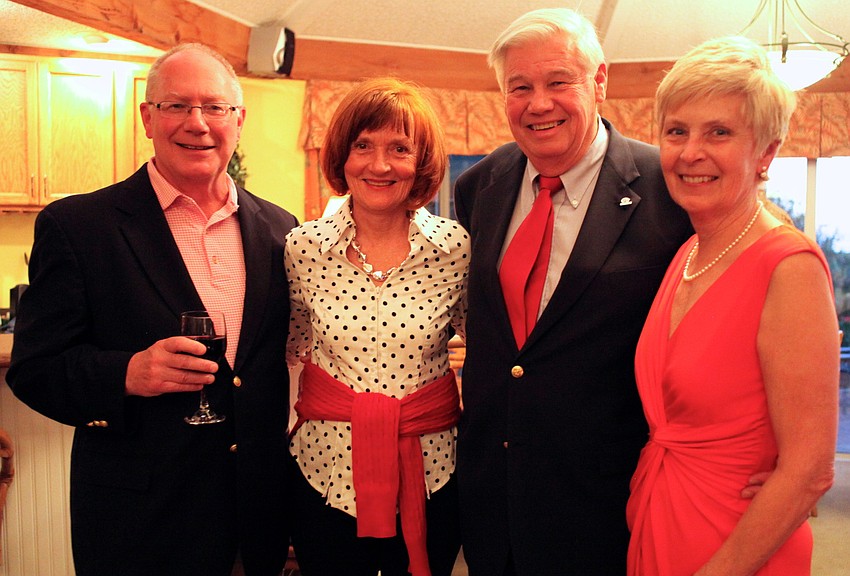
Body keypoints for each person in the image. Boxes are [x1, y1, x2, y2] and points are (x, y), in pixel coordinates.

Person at [6, 43, 298, 576]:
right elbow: (34, 370)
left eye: (214, 107)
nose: (197, 123)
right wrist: (127, 373)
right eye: (176, 105)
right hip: (139, 524)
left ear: (239, 120)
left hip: (254, 521)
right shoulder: (79, 227)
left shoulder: (282, 229)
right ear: (147, 117)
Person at [452, 8, 694, 575]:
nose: (539, 104)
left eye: (559, 82)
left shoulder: (668, 189)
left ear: (599, 81)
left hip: (606, 505)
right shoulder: (480, 185)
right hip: (492, 499)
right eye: (520, 87)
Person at [626, 36, 838, 575]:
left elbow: (810, 470)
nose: (690, 152)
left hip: (737, 549)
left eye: (719, 132)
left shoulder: (788, 267)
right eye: (677, 131)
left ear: (765, 152)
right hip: (662, 521)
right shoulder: (687, 253)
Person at [285, 77, 468, 576]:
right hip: (324, 472)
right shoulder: (303, 248)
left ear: (421, 162)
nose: (380, 165)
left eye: (400, 149)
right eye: (363, 145)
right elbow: (292, 347)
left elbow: (493, 349)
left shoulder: (455, 249)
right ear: (342, 156)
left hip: (432, 472)